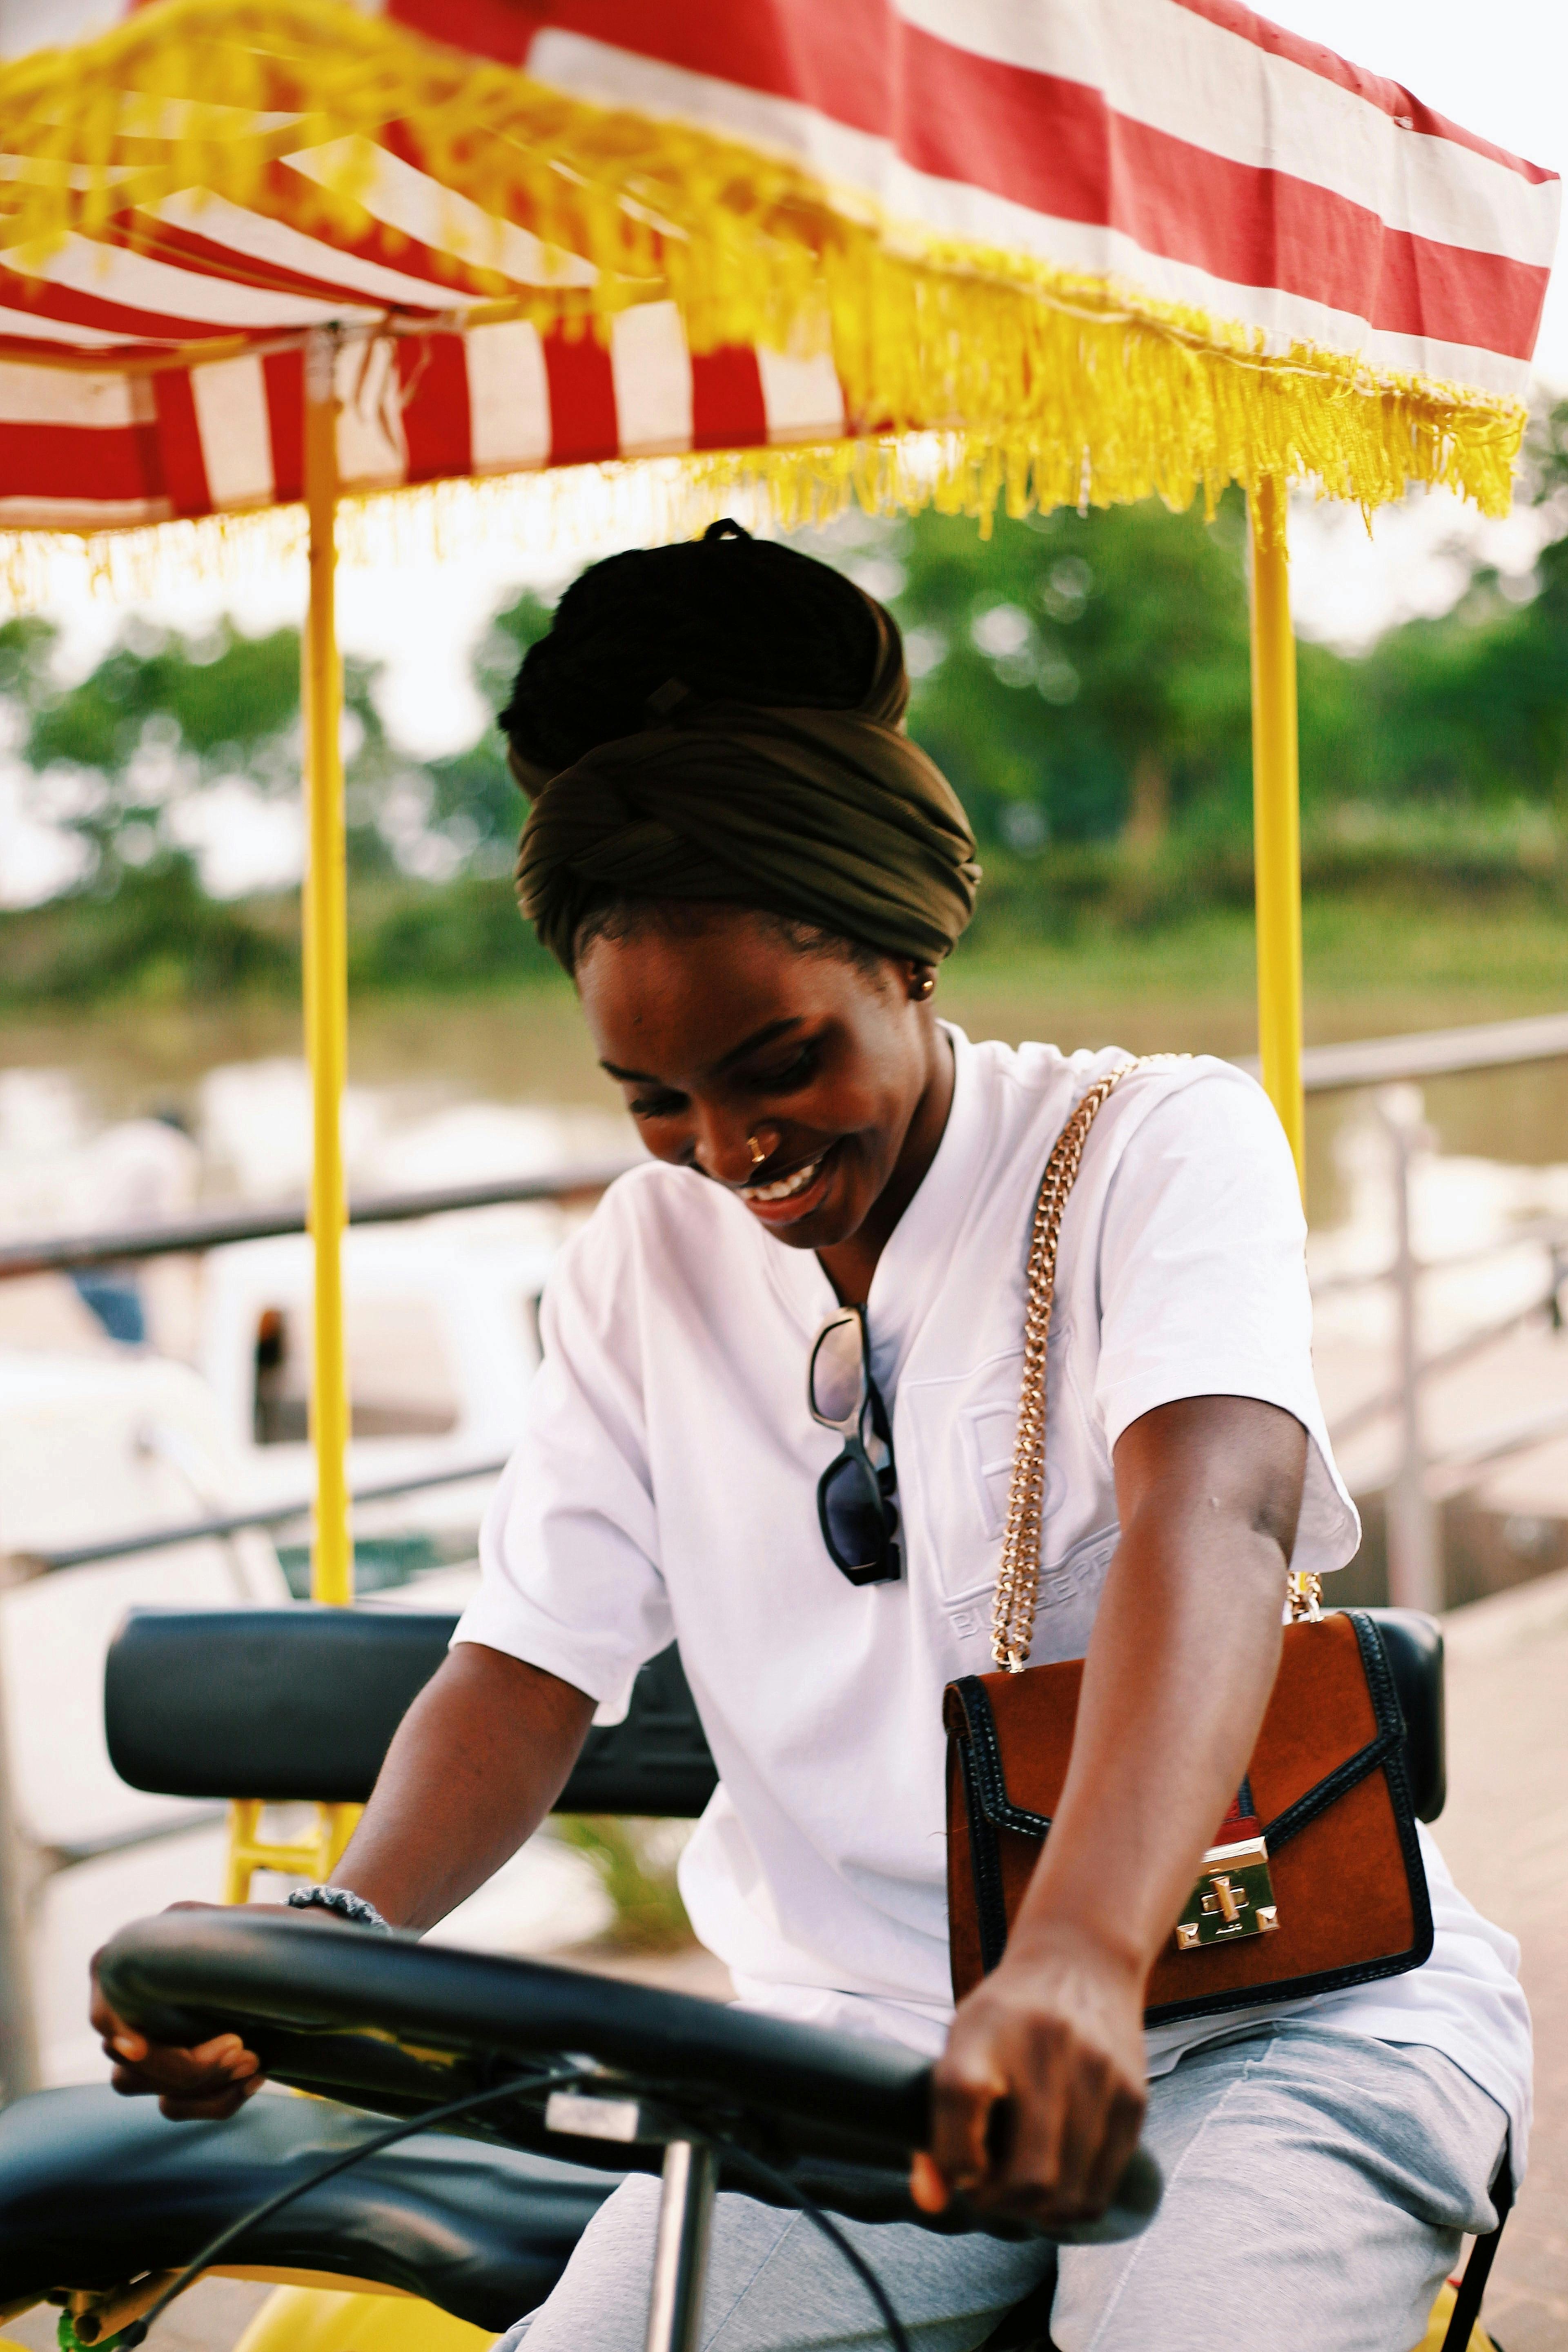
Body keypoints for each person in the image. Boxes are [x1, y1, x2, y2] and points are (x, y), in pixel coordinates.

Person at [93, 523, 1530, 2352]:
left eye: (780, 1064)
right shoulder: (641, 1262)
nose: (730, 1151)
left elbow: (1219, 1514)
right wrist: (330, 1940)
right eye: (655, 1101)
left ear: (906, 956)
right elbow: (529, 1669)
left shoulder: (1159, 1144)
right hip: (853, 2066)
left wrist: (1081, 1958)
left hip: (1261, 2021)